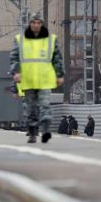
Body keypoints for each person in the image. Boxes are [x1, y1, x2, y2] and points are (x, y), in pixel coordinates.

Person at [10, 13, 64, 143]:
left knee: (45, 105)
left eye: (39, 23)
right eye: (33, 22)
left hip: (44, 80)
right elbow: (14, 58)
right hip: (27, 80)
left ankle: (45, 130)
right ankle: (33, 133)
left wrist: (60, 74)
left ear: (42, 24)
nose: (36, 25)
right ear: (30, 24)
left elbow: (57, 58)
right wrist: (16, 72)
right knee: (31, 109)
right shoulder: (20, 40)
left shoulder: (51, 39)